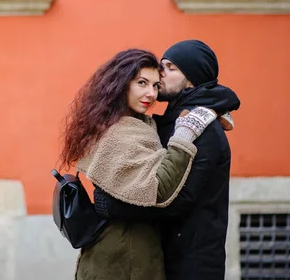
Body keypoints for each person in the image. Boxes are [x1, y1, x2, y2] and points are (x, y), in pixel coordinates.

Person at [59, 48, 233, 280]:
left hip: (157, 253)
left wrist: (215, 107)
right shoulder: (121, 130)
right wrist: (185, 133)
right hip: (123, 256)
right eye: (142, 83)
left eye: (155, 84)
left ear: (192, 77)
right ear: (122, 84)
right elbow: (160, 190)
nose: (152, 92)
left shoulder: (139, 123)